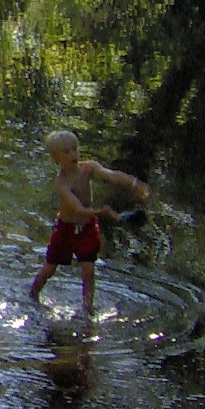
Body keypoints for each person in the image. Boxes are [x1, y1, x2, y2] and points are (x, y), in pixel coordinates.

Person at [27, 129, 149, 314]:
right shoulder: (62, 184)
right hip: (66, 229)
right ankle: (33, 296)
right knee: (50, 268)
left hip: (87, 228)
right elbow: (78, 209)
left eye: (74, 149)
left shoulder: (88, 168)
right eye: (66, 152)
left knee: (88, 270)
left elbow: (111, 175)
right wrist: (103, 212)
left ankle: (87, 308)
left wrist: (134, 182)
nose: (73, 155)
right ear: (56, 159)